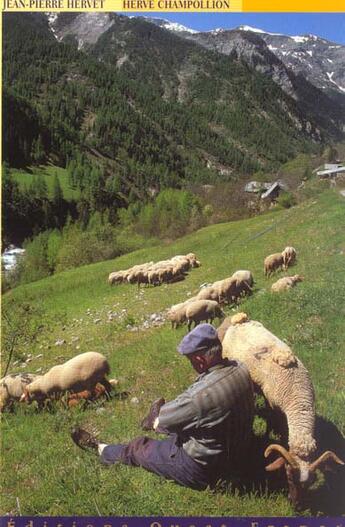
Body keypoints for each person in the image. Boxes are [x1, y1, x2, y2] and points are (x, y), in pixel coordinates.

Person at [71, 323, 254, 490]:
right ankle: (153, 422)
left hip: (202, 469)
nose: (191, 365)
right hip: (237, 452)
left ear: (200, 360)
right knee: (185, 422)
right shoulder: (241, 368)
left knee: (139, 447)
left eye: (191, 360)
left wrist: (161, 418)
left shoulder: (197, 397)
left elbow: (171, 415)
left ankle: (101, 448)